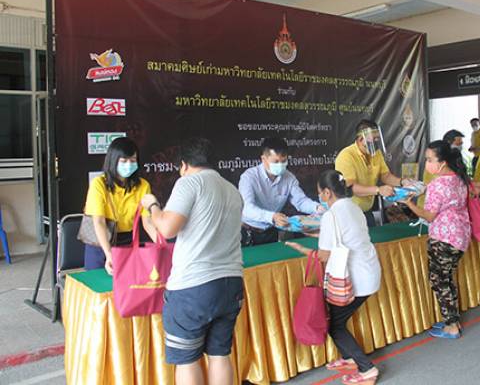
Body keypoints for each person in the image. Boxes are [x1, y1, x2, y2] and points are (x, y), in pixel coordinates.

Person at [141, 138, 244, 385]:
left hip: (193, 288)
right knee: (220, 355)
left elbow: (167, 228)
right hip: (231, 284)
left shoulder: (189, 183)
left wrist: (152, 205)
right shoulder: (232, 190)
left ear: (184, 164)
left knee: (187, 360)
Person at [286, 170, 381, 385]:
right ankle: (349, 358)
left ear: (327, 193)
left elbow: (324, 255)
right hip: (369, 271)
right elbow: (345, 235)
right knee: (338, 320)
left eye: (320, 193)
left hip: (357, 278)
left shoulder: (331, 216)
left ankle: (367, 370)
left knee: (334, 326)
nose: (320, 196)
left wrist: (301, 249)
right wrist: (317, 234)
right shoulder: (354, 207)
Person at [400, 141, 471, 338]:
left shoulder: (438, 184)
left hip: (443, 238)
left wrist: (408, 203)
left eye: (430, 160)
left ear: (442, 162)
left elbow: (429, 216)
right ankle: (452, 319)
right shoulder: (459, 178)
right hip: (460, 236)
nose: (427, 164)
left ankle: (452, 326)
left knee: (440, 281)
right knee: (446, 278)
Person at [83, 137, 156, 273]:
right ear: (113, 161)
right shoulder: (99, 184)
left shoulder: (143, 185)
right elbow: (99, 222)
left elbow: (147, 222)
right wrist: (108, 254)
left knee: (126, 281)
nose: (129, 164)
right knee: (98, 282)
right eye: (124, 161)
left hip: (126, 240)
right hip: (100, 242)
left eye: (133, 160)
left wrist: (162, 245)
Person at [238, 137, 321, 245]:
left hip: (271, 232)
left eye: (284, 161)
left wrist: (317, 208)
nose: (280, 165)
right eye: (275, 161)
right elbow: (246, 208)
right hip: (248, 232)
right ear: (263, 159)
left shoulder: (289, 178)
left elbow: (301, 201)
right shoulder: (249, 177)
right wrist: (272, 216)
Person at [335, 119, 411, 227]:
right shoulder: (346, 156)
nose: (376, 143)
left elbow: (385, 175)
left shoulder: (376, 153)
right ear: (361, 139)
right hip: (349, 214)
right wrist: (378, 190)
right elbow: (351, 187)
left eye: (377, 139)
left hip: (367, 211)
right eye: (373, 139)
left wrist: (402, 182)